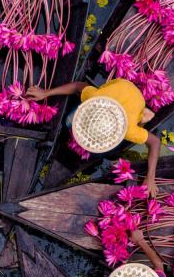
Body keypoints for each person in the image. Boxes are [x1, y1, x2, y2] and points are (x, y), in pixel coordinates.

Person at [26, 78, 162, 197]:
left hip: (135, 102)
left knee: (101, 153)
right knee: (68, 120)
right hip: (119, 86)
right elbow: (77, 86)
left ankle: (142, 117)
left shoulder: (129, 131)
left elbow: (155, 142)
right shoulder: (95, 97)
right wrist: (45, 92)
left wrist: (150, 177)